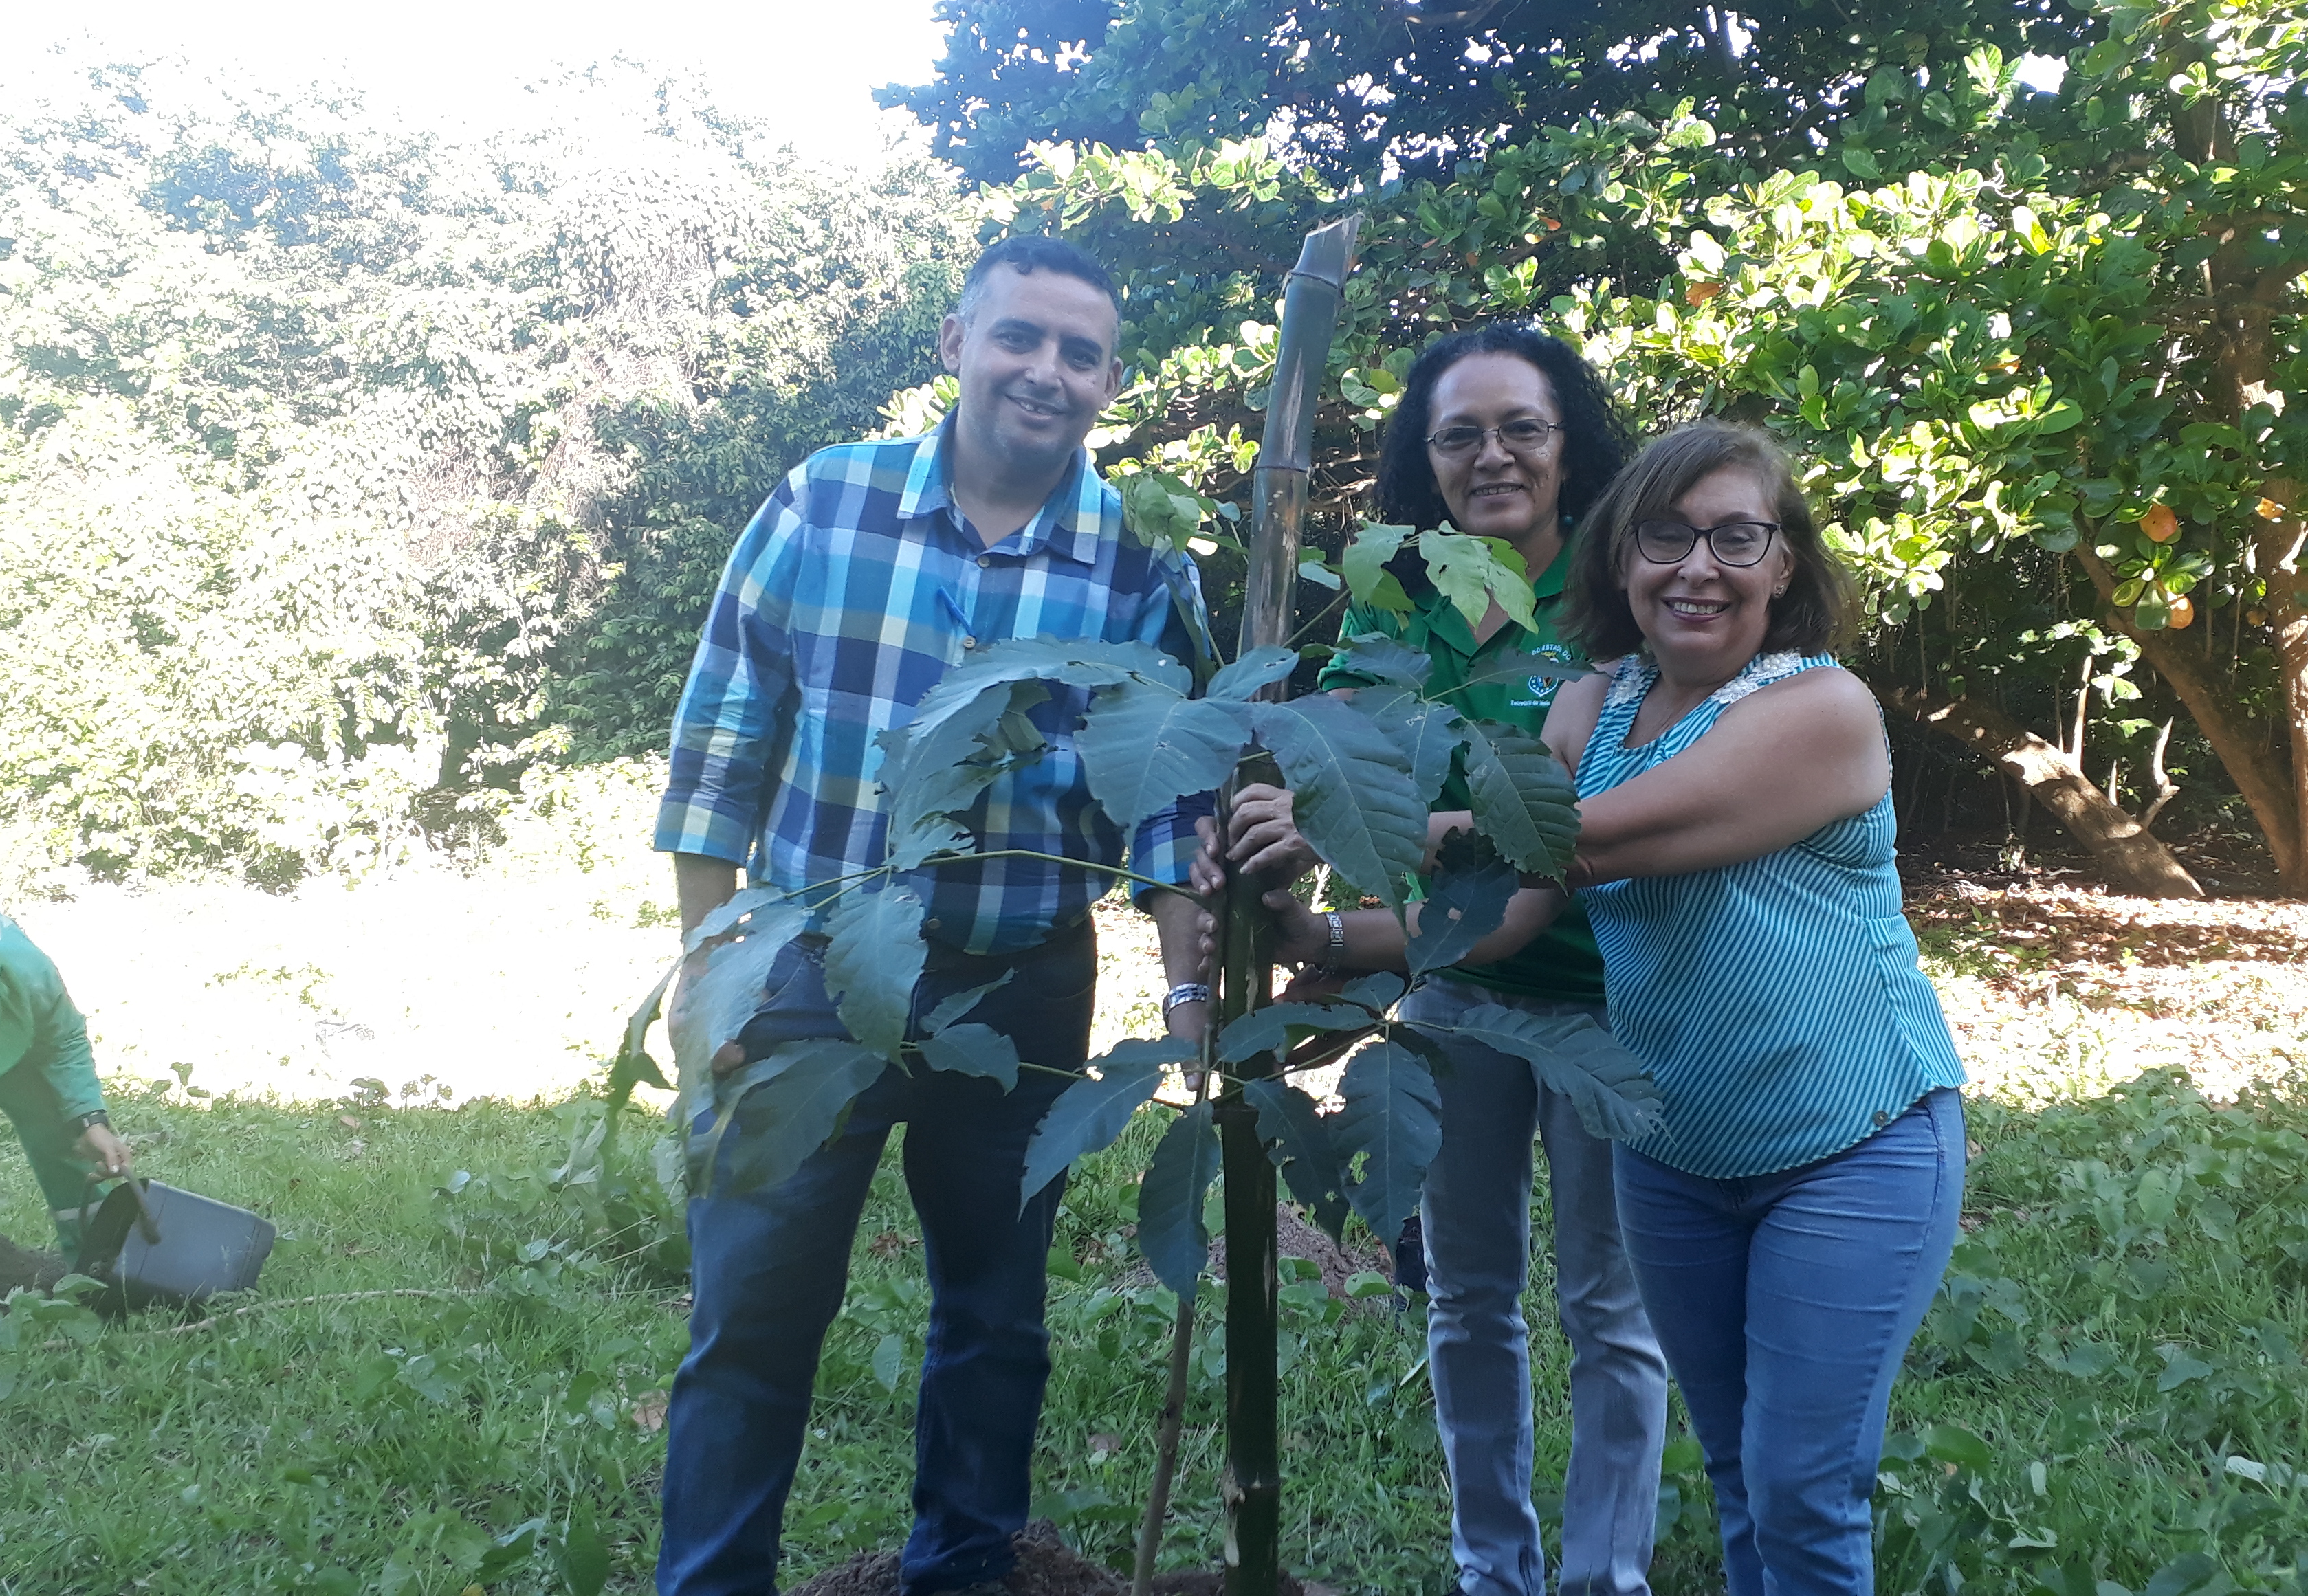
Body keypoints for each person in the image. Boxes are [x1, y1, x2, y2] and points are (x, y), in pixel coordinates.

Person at [1218, 421, 1968, 1596]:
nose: (1696, 566)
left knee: (1800, 1490)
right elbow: (1506, 908)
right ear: (1620, 558)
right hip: (1672, 1157)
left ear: (1783, 565)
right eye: (1664, 535)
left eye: (1735, 537)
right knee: (1734, 1473)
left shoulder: (1821, 709)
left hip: (1853, 1147)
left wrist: (1340, 811)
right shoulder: (1586, 710)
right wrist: (1323, 938)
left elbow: (1584, 836)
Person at [650, 234, 1216, 1596]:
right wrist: (708, 959)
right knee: (754, 1313)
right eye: (1021, 336)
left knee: (997, 1314)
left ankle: (962, 1573)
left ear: (1111, 381)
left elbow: (1167, 786)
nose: (1048, 371)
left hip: (1021, 982)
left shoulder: (1137, 561)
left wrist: (1191, 991)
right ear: (955, 345)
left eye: (1081, 353)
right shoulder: (822, 504)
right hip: (803, 977)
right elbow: (724, 733)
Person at [1232, 322, 1670, 1596]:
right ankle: (1494, 1569)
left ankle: (1604, 1577)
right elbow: (1345, 786)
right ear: (1424, 464)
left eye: (1520, 427)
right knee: (1466, 1294)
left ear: (1567, 440)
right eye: (1459, 434)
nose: (1493, 456)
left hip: (1618, 989)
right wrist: (1306, 904)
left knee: (1608, 1304)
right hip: (1454, 986)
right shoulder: (1398, 609)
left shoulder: (1632, 590)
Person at [0, 897, 136, 1255]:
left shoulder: (31, 979)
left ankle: (92, 1256)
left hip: (1, 1016)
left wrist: (90, 1120)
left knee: (58, 1126)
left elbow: (64, 1041)